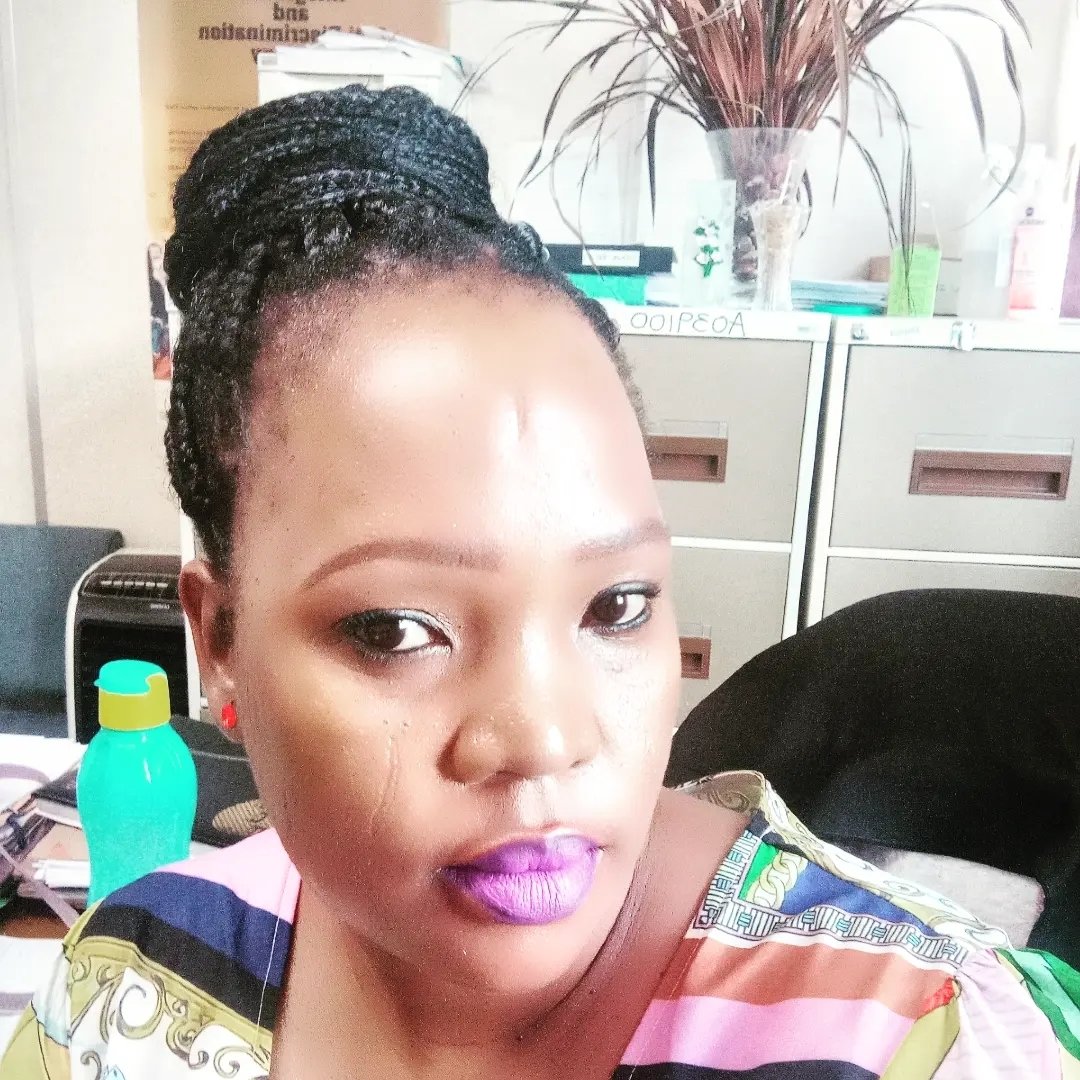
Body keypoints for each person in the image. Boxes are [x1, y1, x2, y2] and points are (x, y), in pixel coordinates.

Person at [3, 85, 1077, 1080]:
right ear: (220, 639)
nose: (544, 738)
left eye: (616, 607)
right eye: (397, 628)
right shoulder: (132, 987)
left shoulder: (918, 1041)